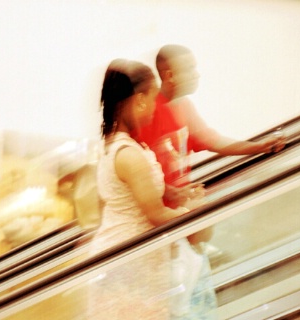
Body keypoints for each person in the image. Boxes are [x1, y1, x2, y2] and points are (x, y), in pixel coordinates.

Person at [130, 44, 286, 319]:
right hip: (160, 230)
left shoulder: (183, 107)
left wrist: (258, 147)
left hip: (185, 223)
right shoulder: (150, 112)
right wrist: (171, 192)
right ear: (169, 75)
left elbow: (212, 139)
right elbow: (138, 172)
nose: (196, 74)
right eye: (189, 69)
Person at [87, 59, 191, 319]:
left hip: (129, 262)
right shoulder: (128, 154)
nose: (155, 108)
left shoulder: (122, 146)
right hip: (126, 268)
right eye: (153, 98)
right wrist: (198, 214)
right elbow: (155, 215)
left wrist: (170, 192)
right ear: (139, 100)